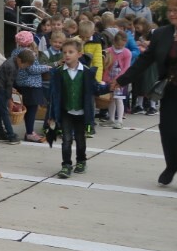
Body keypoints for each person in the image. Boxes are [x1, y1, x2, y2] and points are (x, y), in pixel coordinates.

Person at [116, 0, 177, 194]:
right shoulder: (162, 33)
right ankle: (173, 164)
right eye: (170, 10)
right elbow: (145, 60)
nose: (172, 14)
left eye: (176, 10)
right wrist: (122, 80)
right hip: (172, 90)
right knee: (168, 130)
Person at [46, 38, 109, 178]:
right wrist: (51, 115)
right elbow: (53, 94)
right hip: (66, 111)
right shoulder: (58, 72)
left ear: (79, 54)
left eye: (71, 52)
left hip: (81, 112)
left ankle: (81, 161)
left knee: (80, 140)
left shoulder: (86, 72)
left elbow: (96, 89)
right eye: (64, 52)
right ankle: (66, 165)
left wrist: (110, 87)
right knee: (66, 139)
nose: (67, 55)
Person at [10, 30, 52, 143]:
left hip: (20, 84)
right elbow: (32, 69)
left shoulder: (15, 51)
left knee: (26, 108)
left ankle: (29, 131)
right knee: (32, 110)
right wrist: (46, 68)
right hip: (32, 85)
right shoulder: (29, 53)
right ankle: (30, 133)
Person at [0, 50, 34, 144]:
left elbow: (8, 81)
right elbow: (9, 84)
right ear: (19, 60)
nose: (24, 67)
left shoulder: (13, 61)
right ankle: (11, 135)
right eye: (25, 65)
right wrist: (10, 100)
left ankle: (0, 134)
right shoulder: (12, 66)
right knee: (4, 112)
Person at [104, 30, 132, 129]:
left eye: (122, 45)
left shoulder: (127, 52)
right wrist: (106, 78)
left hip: (120, 79)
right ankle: (111, 119)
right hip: (109, 78)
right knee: (110, 99)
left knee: (119, 99)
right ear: (114, 42)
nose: (120, 47)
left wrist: (118, 79)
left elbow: (126, 68)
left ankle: (119, 120)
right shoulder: (108, 51)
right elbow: (106, 66)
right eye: (118, 45)